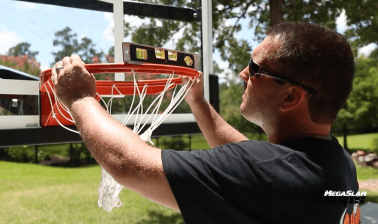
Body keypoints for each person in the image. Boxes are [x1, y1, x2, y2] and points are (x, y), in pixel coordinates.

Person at [52, 22, 359, 224]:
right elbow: (249, 155)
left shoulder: (269, 174)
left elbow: (127, 163)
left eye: (256, 68)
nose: (242, 74)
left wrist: (79, 99)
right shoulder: (337, 162)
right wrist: (198, 102)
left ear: (291, 97)